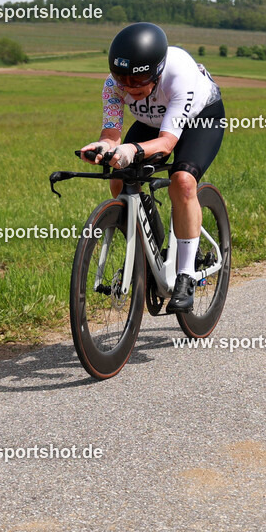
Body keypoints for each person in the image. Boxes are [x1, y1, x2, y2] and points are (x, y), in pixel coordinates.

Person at [80, 22, 225, 314]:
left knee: (182, 181)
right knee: (119, 179)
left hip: (200, 120)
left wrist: (131, 150)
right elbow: (111, 135)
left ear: (158, 71)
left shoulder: (179, 74)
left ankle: (185, 276)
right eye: (122, 80)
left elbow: (167, 143)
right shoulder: (113, 85)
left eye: (139, 80)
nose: (130, 89)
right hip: (152, 124)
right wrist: (102, 149)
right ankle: (149, 247)